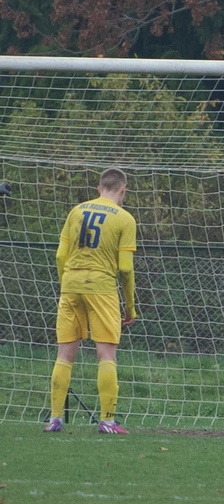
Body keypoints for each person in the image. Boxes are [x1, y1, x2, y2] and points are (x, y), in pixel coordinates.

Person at [43, 168, 138, 435]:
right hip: (102, 287)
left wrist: (66, 284)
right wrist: (130, 306)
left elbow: (61, 256)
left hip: (71, 284)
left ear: (99, 188)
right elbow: (126, 269)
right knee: (106, 354)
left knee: (64, 355)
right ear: (123, 190)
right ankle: (107, 420)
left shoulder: (76, 211)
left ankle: (54, 419)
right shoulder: (125, 219)